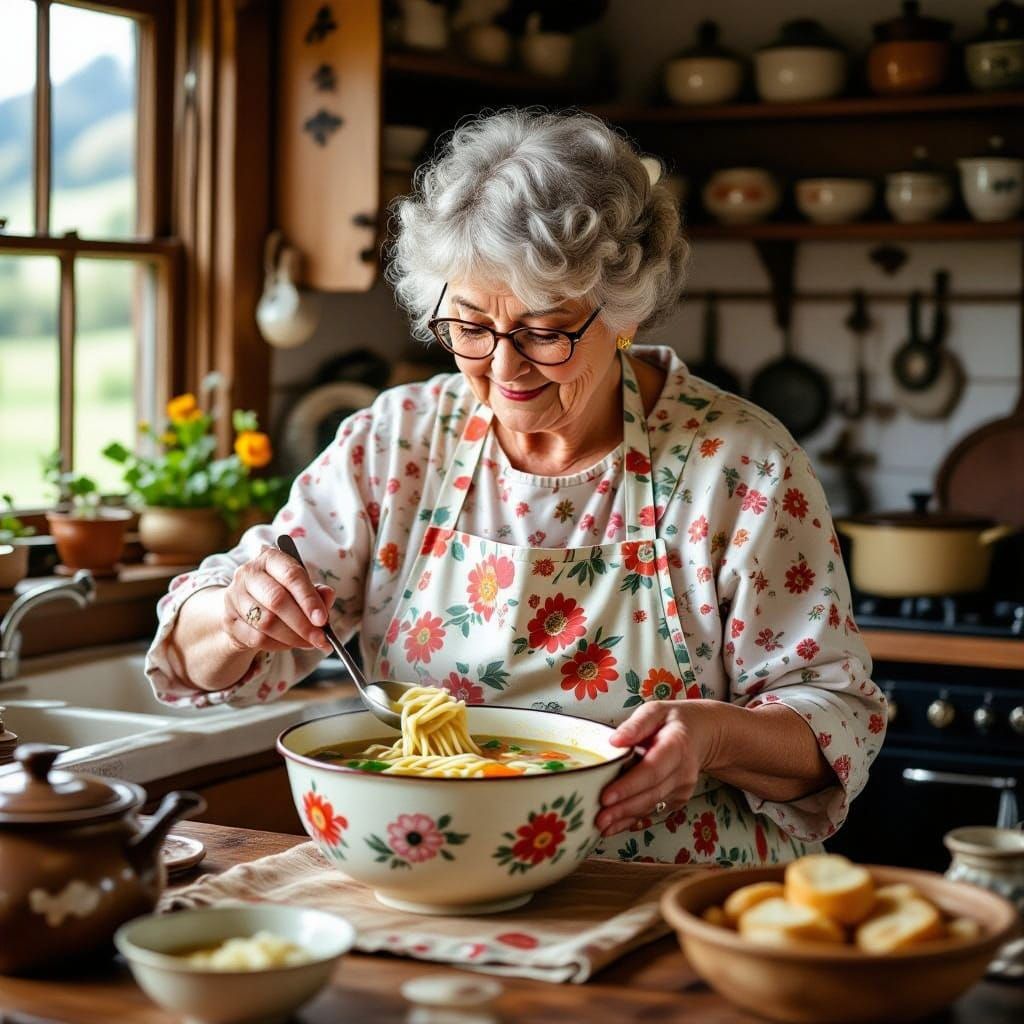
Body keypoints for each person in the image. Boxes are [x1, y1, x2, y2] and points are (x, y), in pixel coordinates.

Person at [147, 109, 885, 864]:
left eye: (543, 332)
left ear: (622, 314)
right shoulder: (397, 443)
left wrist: (714, 736)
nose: (504, 371)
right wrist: (237, 617)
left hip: (674, 907)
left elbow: (834, 723)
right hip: (437, 889)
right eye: (468, 327)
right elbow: (201, 662)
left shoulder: (740, 465)